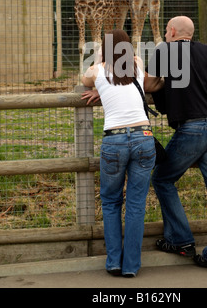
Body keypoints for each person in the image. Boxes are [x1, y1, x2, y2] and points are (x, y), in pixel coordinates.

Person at [145, 16, 207, 272]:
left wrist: (167, 81)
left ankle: (181, 239)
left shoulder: (166, 51)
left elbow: (149, 83)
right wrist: (203, 81)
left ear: (172, 31)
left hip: (191, 129)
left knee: (161, 179)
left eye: (165, 29)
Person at [81, 29, 157, 278]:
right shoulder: (136, 64)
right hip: (143, 137)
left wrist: (99, 71)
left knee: (112, 202)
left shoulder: (97, 70)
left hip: (114, 141)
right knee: (136, 204)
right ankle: (131, 266)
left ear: (104, 48)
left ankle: (114, 261)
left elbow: (85, 80)